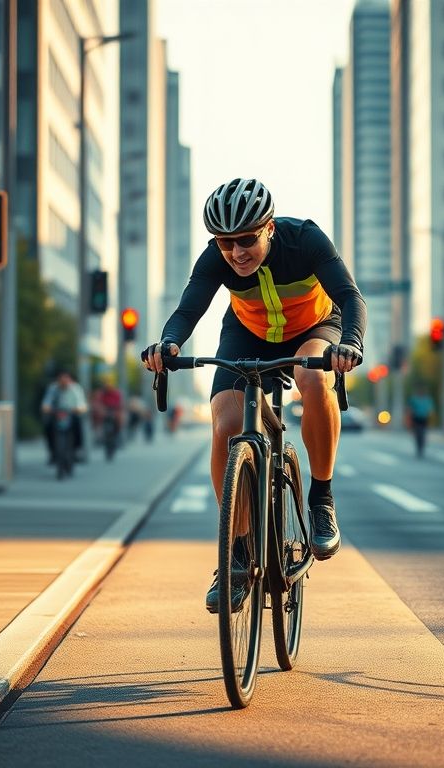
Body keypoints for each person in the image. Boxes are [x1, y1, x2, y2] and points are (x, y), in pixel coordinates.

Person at [142, 177, 366, 613]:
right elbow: (189, 309)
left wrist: (351, 343)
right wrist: (168, 343)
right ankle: (239, 550)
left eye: (246, 239)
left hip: (314, 330)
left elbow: (350, 295)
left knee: (314, 380)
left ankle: (321, 498)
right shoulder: (217, 258)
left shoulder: (306, 240)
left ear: (269, 229)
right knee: (226, 423)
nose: (236, 252)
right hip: (247, 334)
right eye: (225, 244)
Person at [40, 368, 88, 463]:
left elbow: (81, 403)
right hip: (56, 414)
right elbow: (46, 402)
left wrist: (79, 408)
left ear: (70, 379)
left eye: (66, 378)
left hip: (71, 413)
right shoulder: (53, 388)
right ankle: (52, 451)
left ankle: (76, 450)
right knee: (48, 426)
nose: (64, 381)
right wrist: (46, 408)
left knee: (77, 425)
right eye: (61, 378)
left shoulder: (76, 388)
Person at [407, 385, 434, 457]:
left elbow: (430, 410)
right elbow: (410, 409)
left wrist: (430, 420)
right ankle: (419, 447)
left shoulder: (427, 399)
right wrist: (409, 420)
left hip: (424, 418)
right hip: (416, 418)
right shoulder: (414, 399)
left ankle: (421, 447)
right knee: (417, 434)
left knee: (423, 434)